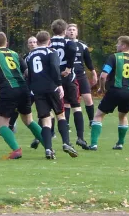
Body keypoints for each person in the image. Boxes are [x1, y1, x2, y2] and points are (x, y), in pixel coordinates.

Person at [0, 32, 43, 159]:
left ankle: (16, 150)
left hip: (8, 91)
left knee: (2, 124)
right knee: (29, 120)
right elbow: (28, 72)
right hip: (24, 89)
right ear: (6, 43)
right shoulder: (15, 54)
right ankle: (49, 147)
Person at [89, 36, 129, 150]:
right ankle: (120, 143)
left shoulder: (114, 57)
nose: (116, 45)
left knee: (99, 115)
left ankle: (93, 144)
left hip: (115, 90)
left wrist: (102, 88)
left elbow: (103, 75)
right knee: (123, 116)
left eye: (118, 43)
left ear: (124, 46)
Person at [25, 31, 78, 159]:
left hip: (37, 90)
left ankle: (48, 149)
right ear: (49, 41)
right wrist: (59, 84)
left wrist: (32, 87)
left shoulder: (30, 55)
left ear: (37, 42)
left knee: (46, 119)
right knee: (60, 115)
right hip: (51, 87)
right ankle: (66, 143)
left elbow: (28, 73)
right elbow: (54, 67)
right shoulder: (51, 52)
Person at [49, 19, 88, 149]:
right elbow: (72, 49)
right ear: (65, 30)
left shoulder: (48, 43)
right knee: (76, 106)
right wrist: (69, 67)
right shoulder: (68, 42)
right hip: (67, 78)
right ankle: (80, 137)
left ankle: (50, 135)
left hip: (53, 79)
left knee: (53, 109)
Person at [66, 24, 98, 127]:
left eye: (73, 30)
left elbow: (88, 61)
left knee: (88, 98)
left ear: (77, 32)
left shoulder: (82, 46)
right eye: (69, 30)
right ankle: (65, 123)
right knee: (67, 100)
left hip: (80, 74)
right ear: (66, 32)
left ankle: (91, 120)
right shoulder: (63, 44)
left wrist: (93, 73)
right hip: (68, 75)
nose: (71, 31)